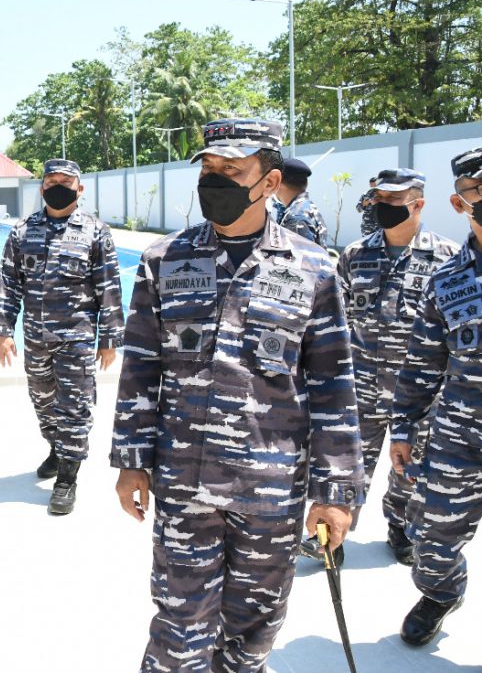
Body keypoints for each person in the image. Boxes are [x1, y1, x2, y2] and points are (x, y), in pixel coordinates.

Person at [111, 118, 365, 671]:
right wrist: (131, 463)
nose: (214, 180)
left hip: (270, 490)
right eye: (208, 168)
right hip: (185, 484)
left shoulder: (315, 269)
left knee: (253, 634)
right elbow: (140, 368)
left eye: (232, 170)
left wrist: (337, 492)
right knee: (179, 633)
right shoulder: (164, 260)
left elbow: (334, 388)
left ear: (270, 182)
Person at [332, 168, 458, 566]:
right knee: (350, 465)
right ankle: (335, 531)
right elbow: (336, 322)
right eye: (378, 199)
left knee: (410, 468)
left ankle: (400, 527)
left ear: (417, 204)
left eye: (391, 200)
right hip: (362, 386)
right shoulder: (354, 255)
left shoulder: (448, 259)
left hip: (420, 393)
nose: (380, 206)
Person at [0, 158, 123, 515]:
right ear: (42, 187)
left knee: (75, 407)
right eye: (52, 180)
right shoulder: (22, 232)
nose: (58, 185)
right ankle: (57, 447)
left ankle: (68, 477)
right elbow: (9, 284)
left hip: (77, 338)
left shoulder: (95, 231)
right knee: (43, 401)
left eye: (66, 181)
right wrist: (4, 331)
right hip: (36, 338)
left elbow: (108, 287)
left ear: (80, 189)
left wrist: (109, 337)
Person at [390, 147, 482, 647]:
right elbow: (422, 364)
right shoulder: (447, 280)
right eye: (481, 189)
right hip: (459, 435)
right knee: (431, 538)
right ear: (460, 201)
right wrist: (402, 429)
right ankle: (442, 592)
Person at [275, 156, 329, 246]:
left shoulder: (296, 217)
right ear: (306, 183)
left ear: (278, 182)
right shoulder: (307, 207)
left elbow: (300, 258)